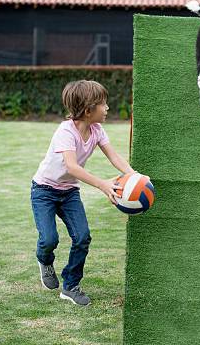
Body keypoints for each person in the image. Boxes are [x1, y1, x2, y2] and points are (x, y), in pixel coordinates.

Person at [31, 80, 134, 306]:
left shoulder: (97, 130)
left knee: (82, 237)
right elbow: (72, 167)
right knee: (49, 239)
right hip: (44, 191)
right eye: (103, 104)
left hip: (69, 192)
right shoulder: (65, 131)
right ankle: (44, 260)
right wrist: (102, 184)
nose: (107, 108)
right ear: (88, 110)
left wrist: (134, 175)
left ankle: (70, 286)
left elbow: (114, 156)